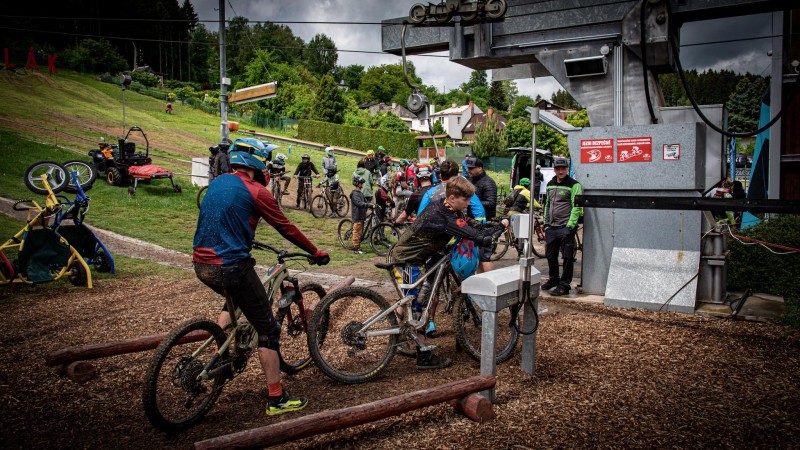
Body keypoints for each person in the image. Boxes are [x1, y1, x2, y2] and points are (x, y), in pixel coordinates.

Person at [193, 150, 330, 416]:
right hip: (231, 265)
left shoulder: (219, 181)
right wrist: (315, 251)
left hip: (201, 263)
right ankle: (276, 399)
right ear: (257, 166)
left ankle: (219, 354)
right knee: (268, 329)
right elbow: (286, 227)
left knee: (232, 299)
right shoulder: (257, 191)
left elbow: (220, 215)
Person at [390, 175, 507, 369]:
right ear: (452, 198)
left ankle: (402, 339)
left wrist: (489, 226)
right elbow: (472, 235)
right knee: (419, 303)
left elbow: (469, 223)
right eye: (466, 199)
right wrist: (486, 237)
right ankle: (423, 356)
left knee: (412, 302)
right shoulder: (444, 216)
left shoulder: (446, 207)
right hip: (407, 260)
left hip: (413, 257)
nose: (469, 202)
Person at [541, 157, 583, 296]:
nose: (560, 171)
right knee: (550, 255)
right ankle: (554, 279)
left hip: (565, 227)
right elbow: (547, 204)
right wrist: (546, 223)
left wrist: (570, 226)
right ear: (554, 169)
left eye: (563, 169)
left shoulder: (574, 185)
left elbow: (577, 207)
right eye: (558, 169)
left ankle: (564, 285)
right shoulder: (550, 184)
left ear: (567, 169)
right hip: (551, 227)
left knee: (567, 257)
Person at [466, 157, 499, 273]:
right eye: (468, 168)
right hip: (472, 223)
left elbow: (491, 203)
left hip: (486, 224)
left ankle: (489, 284)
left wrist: (471, 203)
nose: (469, 170)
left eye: (471, 168)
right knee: (474, 255)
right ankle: (477, 282)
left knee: (484, 257)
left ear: (480, 168)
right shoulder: (470, 180)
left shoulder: (488, 182)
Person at [350, 175, 373, 254]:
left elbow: (365, 201)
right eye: (361, 183)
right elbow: (359, 203)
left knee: (360, 232)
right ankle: (356, 249)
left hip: (361, 215)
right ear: (357, 183)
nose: (362, 185)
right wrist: (367, 205)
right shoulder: (355, 194)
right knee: (357, 232)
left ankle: (358, 246)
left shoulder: (360, 193)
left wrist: (372, 204)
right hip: (357, 216)